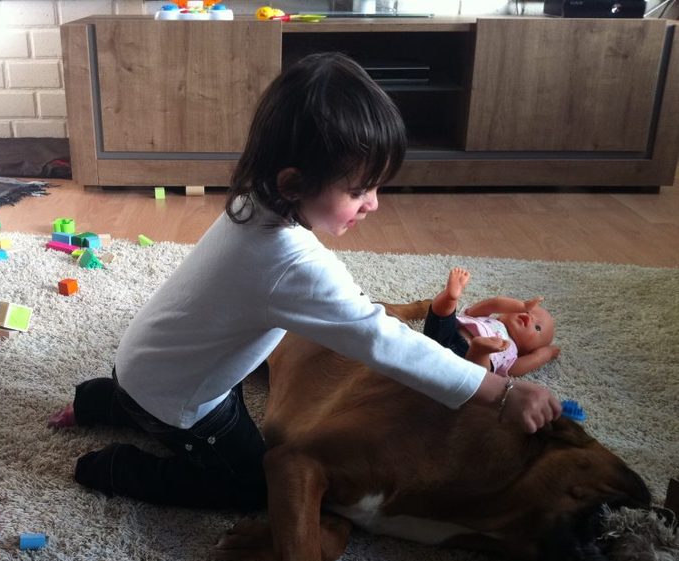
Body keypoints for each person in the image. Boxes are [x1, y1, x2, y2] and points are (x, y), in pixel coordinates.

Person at [48, 52, 562, 511]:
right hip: (181, 396)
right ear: (294, 182)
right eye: (359, 190)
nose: (374, 204)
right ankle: (112, 467)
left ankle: (98, 400)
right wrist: (498, 392)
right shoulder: (290, 264)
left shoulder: (252, 198)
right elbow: (383, 340)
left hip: (143, 360)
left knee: (155, 391)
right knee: (252, 487)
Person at [424, 267, 561, 376]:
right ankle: (450, 297)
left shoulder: (511, 355)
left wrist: (548, 353)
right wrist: (523, 306)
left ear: (528, 352)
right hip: (448, 333)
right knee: (443, 314)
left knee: (482, 375)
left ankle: (480, 350)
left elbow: (535, 359)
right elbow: (494, 303)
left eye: (537, 328)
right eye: (527, 312)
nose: (529, 319)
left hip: (465, 361)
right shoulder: (487, 318)